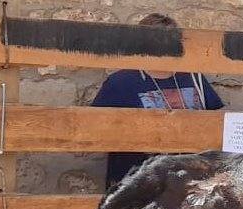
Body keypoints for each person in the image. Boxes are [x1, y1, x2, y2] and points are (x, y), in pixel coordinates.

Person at [91, 13, 225, 189]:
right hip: (138, 184)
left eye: (170, 40)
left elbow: (217, 121)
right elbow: (94, 130)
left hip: (187, 183)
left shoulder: (193, 78)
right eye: (156, 40)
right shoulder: (121, 82)